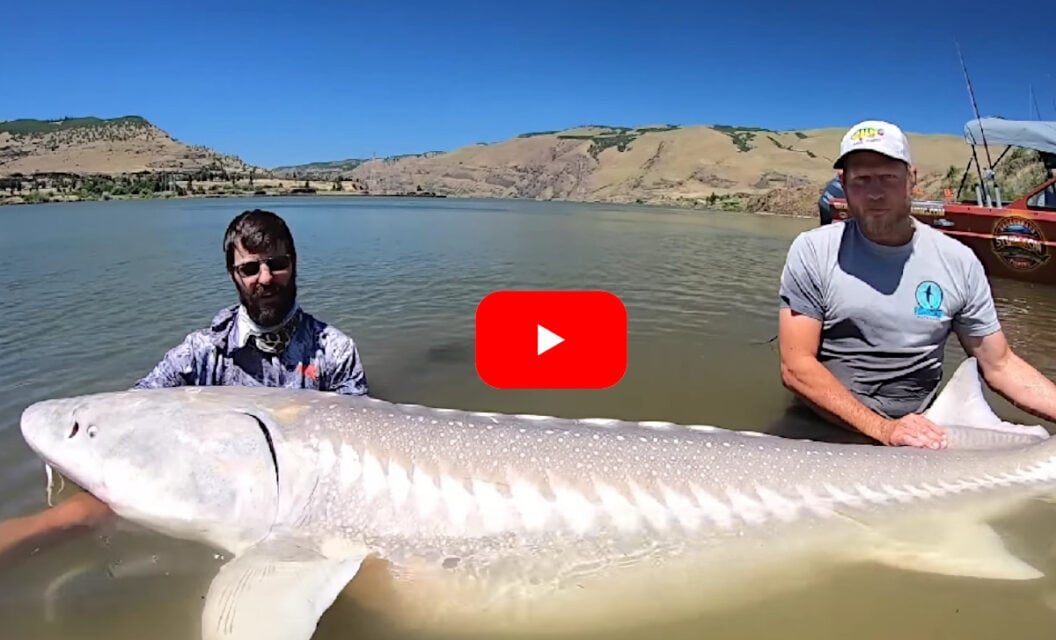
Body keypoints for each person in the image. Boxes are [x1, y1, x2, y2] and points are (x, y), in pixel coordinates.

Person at [2, 208, 369, 563]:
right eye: (250, 268)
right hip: (217, 498)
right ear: (233, 275)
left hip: (310, 502)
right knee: (86, 508)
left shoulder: (333, 350)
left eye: (277, 264)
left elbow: (360, 456)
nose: (265, 278)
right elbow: (133, 412)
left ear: (294, 264)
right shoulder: (202, 352)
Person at [778, 120, 1056, 449]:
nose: (875, 193)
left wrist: (903, 431)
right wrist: (883, 430)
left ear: (912, 179)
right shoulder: (813, 250)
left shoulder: (959, 261)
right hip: (827, 423)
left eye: (888, 178)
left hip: (924, 429)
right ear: (844, 183)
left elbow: (999, 364)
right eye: (862, 180)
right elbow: (797, 366)